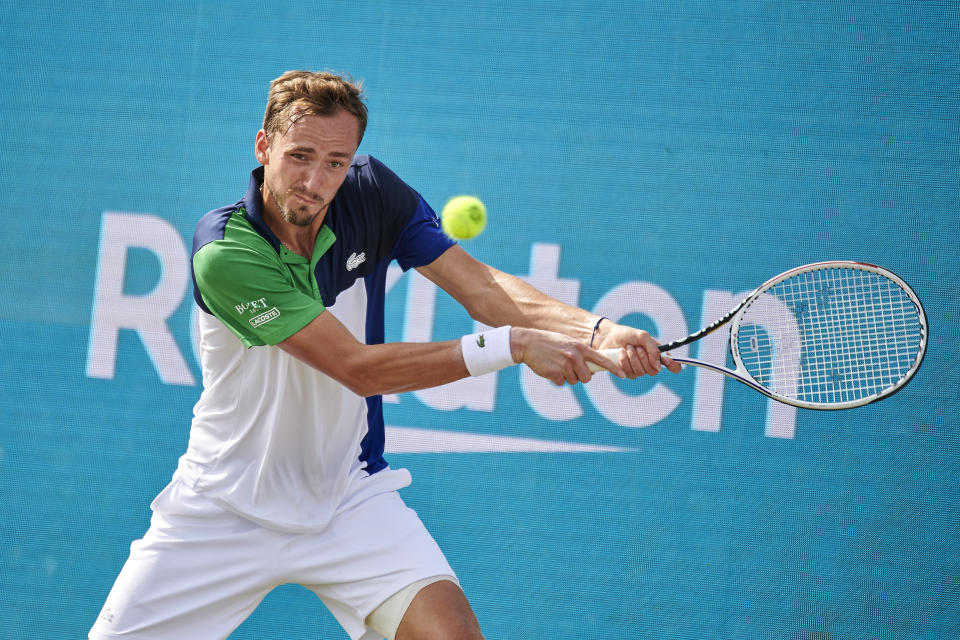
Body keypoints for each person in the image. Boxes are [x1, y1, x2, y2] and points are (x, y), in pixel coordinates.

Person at [89, 70, 679, 640]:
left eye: (336, 163)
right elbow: (356, 368)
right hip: (223, 506)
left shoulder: (372, 194)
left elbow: (479, 287)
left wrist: (596, 330)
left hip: (349, 495)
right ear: (264, 146)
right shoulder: (226, 253)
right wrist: (514, 346)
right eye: (299, 156)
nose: (315, 182)